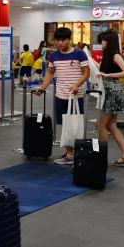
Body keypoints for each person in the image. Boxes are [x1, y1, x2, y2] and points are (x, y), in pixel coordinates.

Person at [36, 27, 89, 165]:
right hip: (60, 95)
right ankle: (70, 153)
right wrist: (42, 88)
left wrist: (77, 84)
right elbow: (50, 73)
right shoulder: (54, 56)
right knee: (65, 124)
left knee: (75, 124)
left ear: (69, 39)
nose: (60, 43)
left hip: (76, 96)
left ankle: (74, 153)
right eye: (57, 41)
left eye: (63, 40)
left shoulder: (79, 54)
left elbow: (86, 73)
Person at [92, 31, 124, 167]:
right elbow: (102, 70)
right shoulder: (109, 55)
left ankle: (101, 157)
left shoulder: (115, 54)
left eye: (103, 41)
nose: (101, 43)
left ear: (109, 41)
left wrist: (109, 76)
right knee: (111, 125)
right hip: (111, 90)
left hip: (112, 91)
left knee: (102, 125)